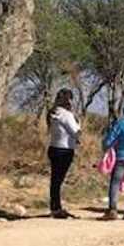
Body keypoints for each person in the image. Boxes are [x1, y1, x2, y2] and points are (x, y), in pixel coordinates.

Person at [46, 88, 80, 219]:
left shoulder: (53, 113)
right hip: (65, 150)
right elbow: (76, 133)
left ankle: (55, 207)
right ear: (68, 100)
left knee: (55, 180)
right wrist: (78, 124)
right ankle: (57, 209)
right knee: (58, 180)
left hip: (54, 148)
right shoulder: (67, 115)